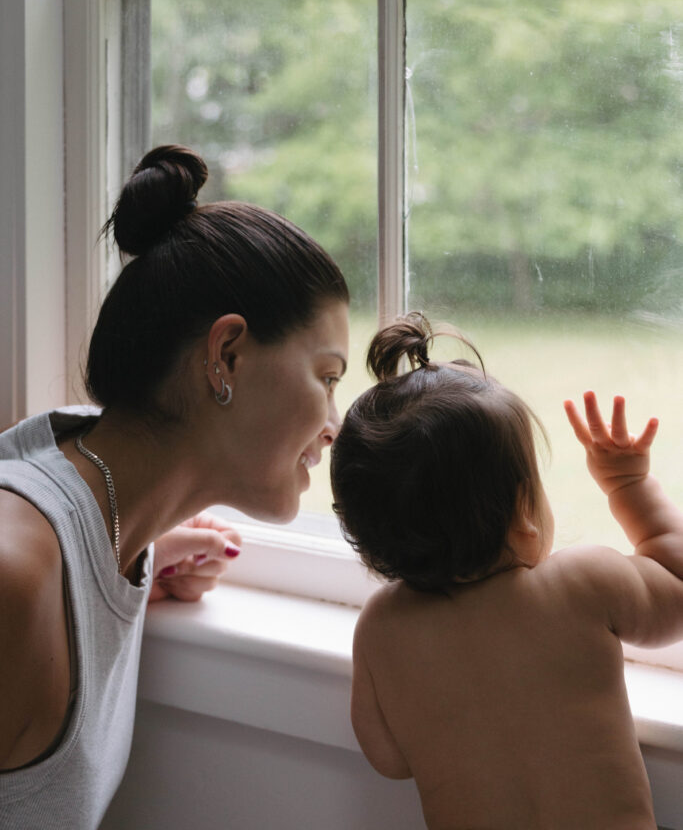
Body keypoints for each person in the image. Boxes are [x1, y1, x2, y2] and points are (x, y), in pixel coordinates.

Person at [0, 145, 349, 829]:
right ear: (226, 356)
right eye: (327, 376)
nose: (334, 425)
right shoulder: (15, 573)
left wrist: (141, 556)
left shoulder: (102, 533)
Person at [330, 311, 683, 830]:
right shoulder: (582, 584)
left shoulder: (383, 628)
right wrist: (627, 487)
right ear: (523, 514)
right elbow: (676, 589)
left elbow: (390, 759)